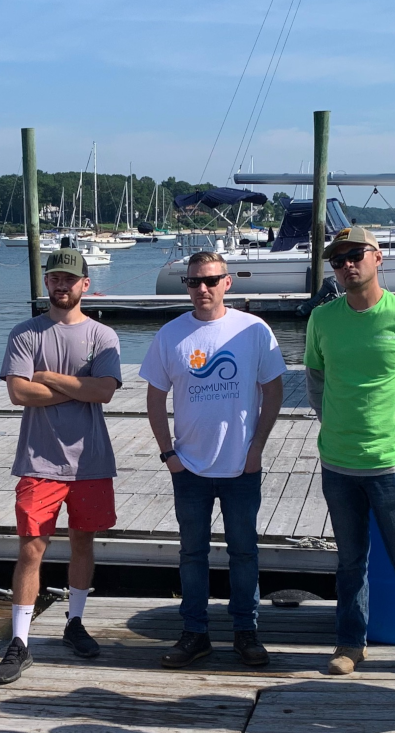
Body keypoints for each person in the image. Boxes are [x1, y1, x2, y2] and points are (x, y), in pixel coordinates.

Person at [304, 226, 395, 680]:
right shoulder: (322, 320)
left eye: (355, 255)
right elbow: (315, 383)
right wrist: (339, 423)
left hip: (393, 461)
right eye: (338, 258)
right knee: (349, 562)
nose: (347, 264)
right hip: (338, 461)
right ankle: (350, 643)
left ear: (377, 257)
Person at [141, 251, 286, 668]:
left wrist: (257, 447)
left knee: (244, 552)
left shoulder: (254, 330)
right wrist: (168, 453)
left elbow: (273, 391)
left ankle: (246, 632)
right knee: (192, 554)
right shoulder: (171, 335)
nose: (201, 289)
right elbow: (154, 396)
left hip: (241, 466)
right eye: (193, 282)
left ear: (228, 282)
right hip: (189, 467)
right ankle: (195, 633)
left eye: (210, 280)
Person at [0, 247, 122, 684]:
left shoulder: (103, 336)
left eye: (70, 278)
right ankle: (20, 640)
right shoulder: (25, 333)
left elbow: (105, 390)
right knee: (32, 547)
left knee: (83, 540)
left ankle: (75, 622)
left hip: (90, 461)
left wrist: (46, 377)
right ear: (46, 283)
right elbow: (19, 394)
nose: (61, 285)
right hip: (38, 459)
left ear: (85, 284)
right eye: (54, 278)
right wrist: (78, 387)